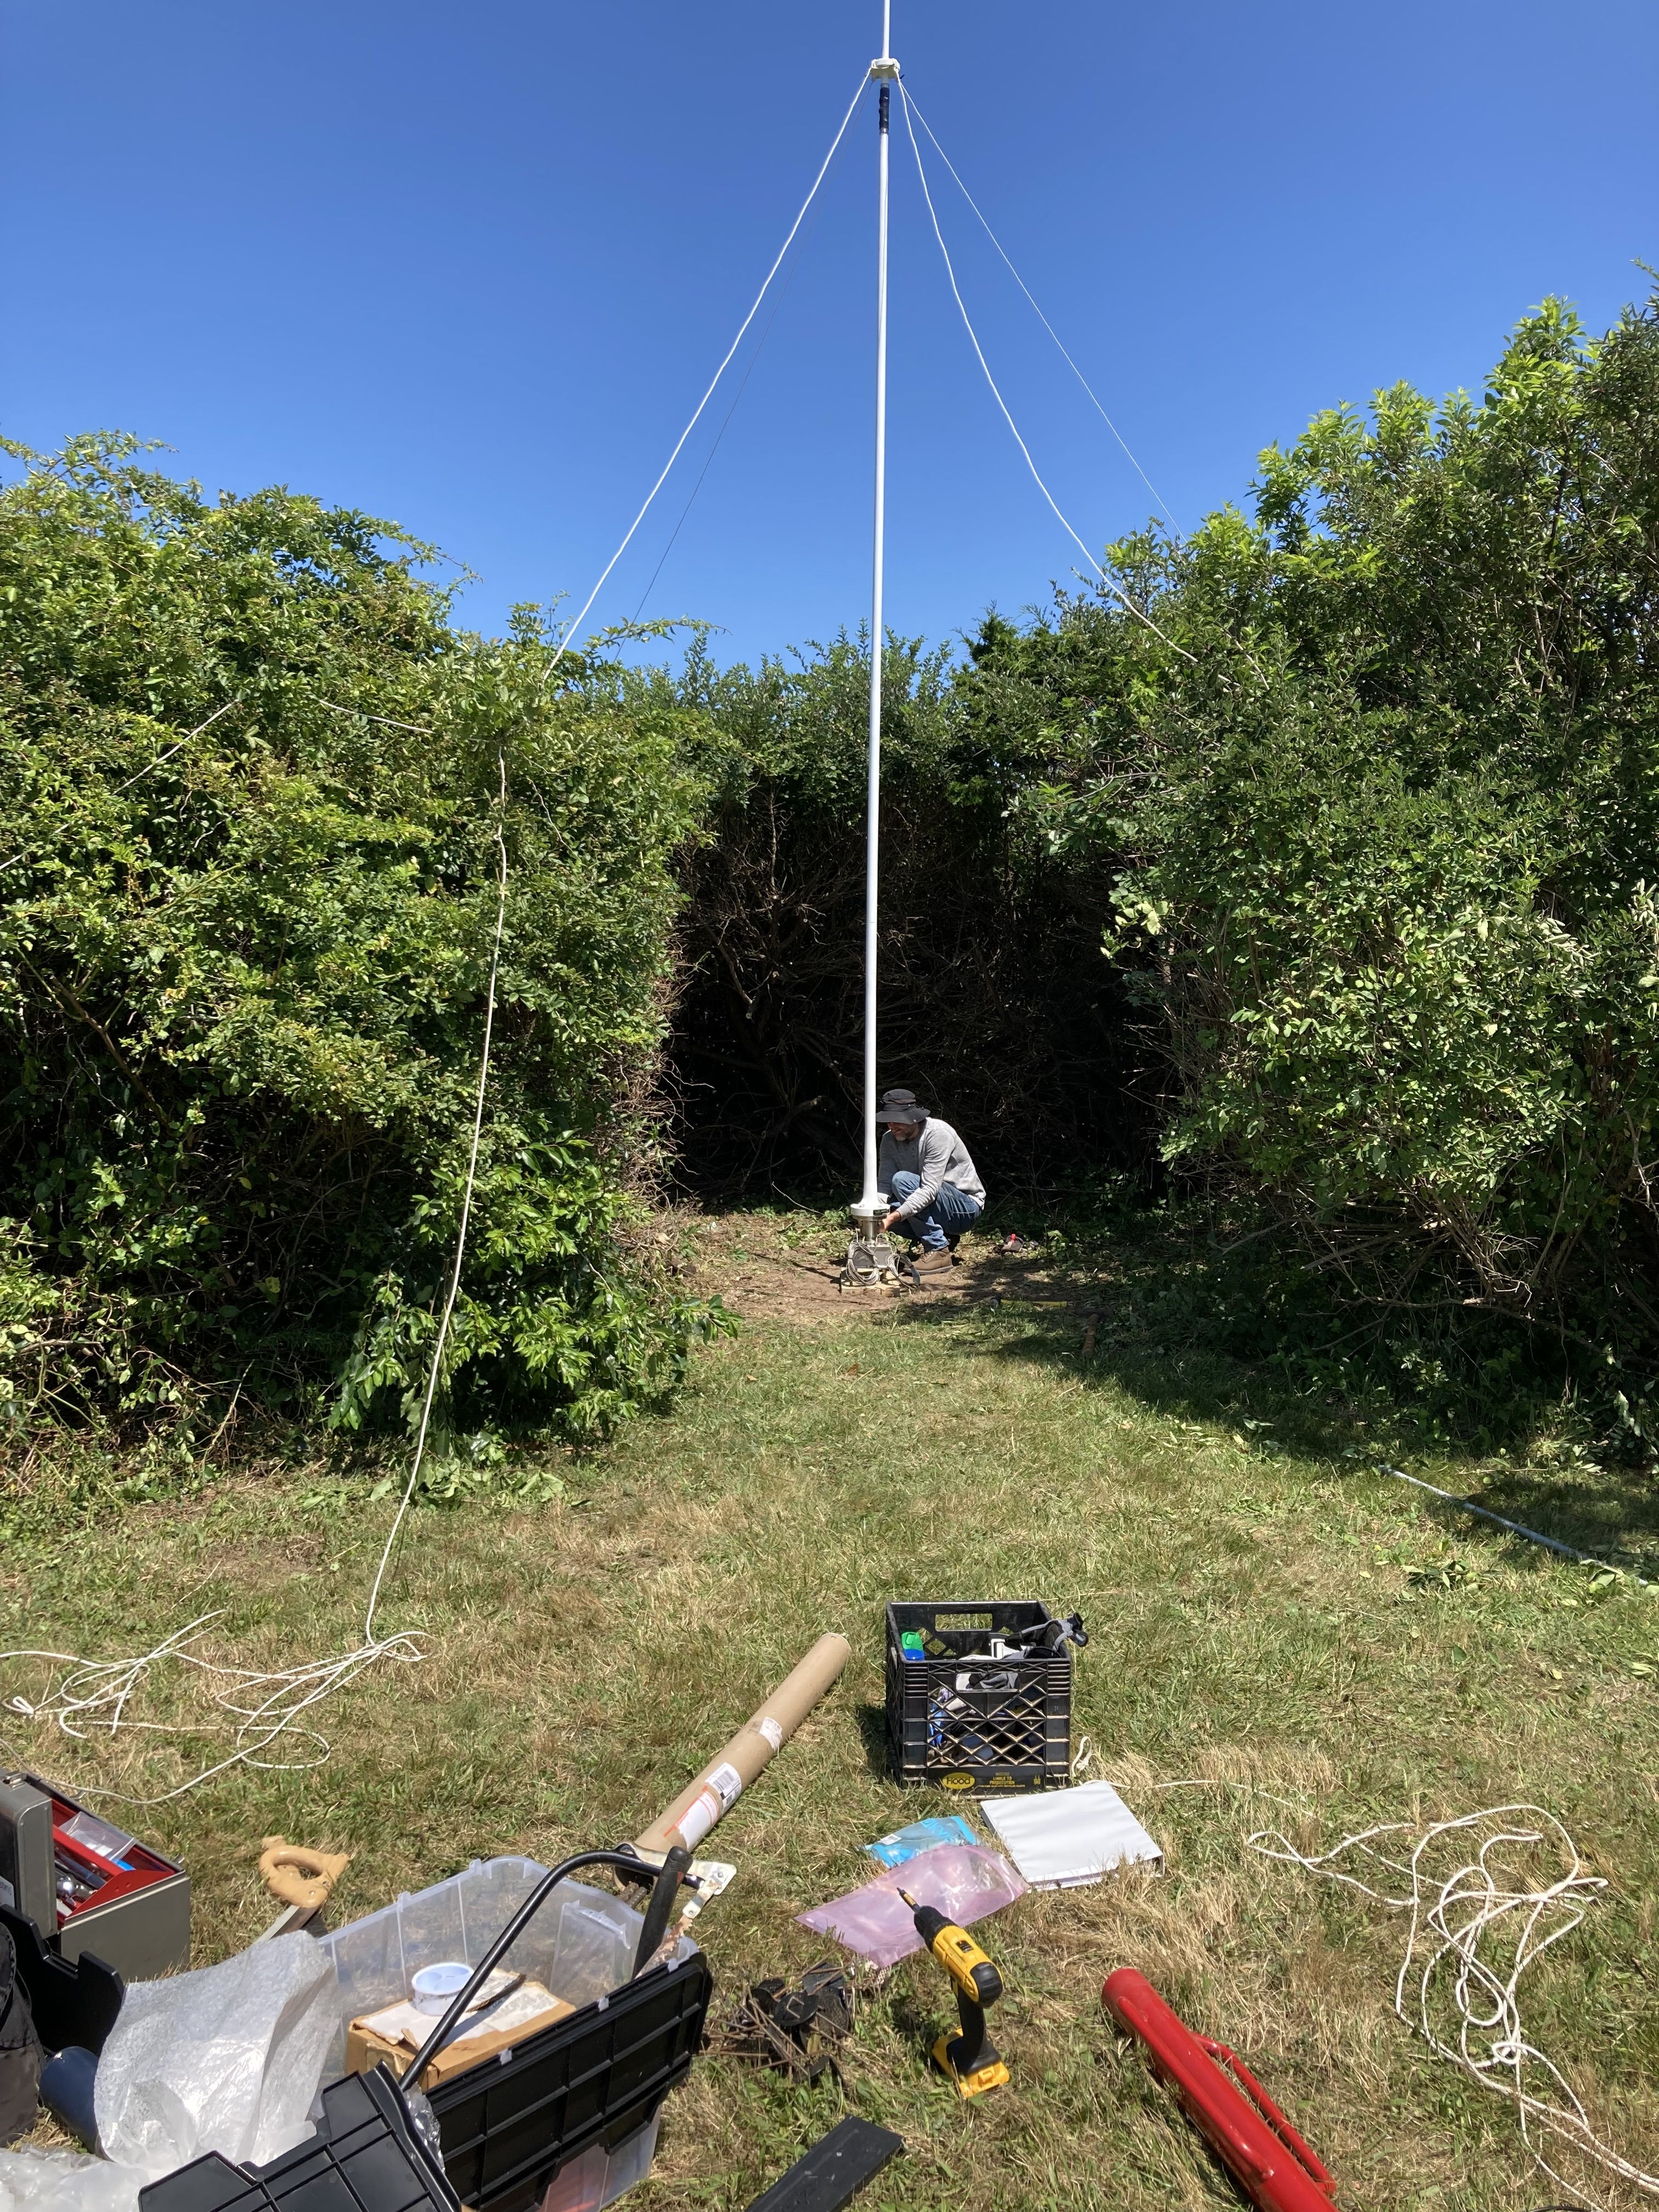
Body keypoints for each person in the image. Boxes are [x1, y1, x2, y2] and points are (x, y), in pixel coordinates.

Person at [875, 1087, 985, 1273]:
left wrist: (892, 1219)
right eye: (888, 1121)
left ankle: (938, 1250)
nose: (892, 1126)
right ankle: (946, 1237)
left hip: (965, 1209)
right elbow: (884, 1184)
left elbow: (929, 1189)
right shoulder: (889, 1140)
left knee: (902, 1181)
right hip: (934, 1204)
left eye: (897, 1120)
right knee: (882, 1209)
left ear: (913, 1117)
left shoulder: (938, 1134)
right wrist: (874, 1213)